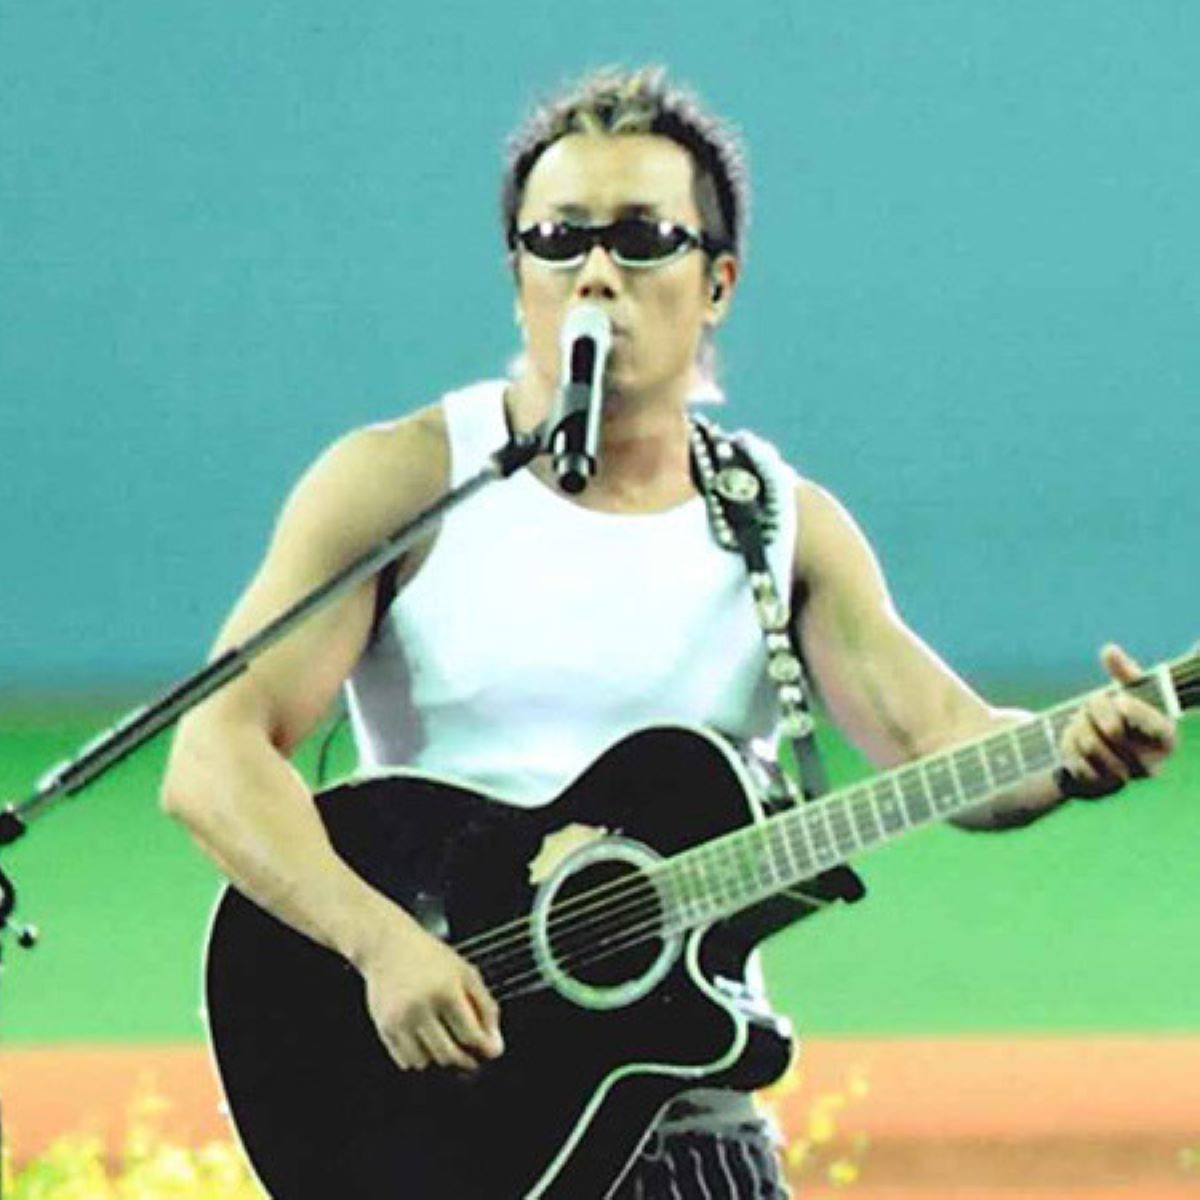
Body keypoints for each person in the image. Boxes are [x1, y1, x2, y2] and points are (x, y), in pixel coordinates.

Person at [161, 66, 1179, 1199]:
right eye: (559, 239)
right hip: (446, 1111)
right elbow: (213, 756)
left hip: (688, 1119)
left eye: (643, 239)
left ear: (717, 282)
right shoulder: (405, 483)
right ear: (517, 277)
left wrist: (1067, 753)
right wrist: (379, 942)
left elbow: (941, 734)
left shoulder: (778, 523)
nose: (597, 272)